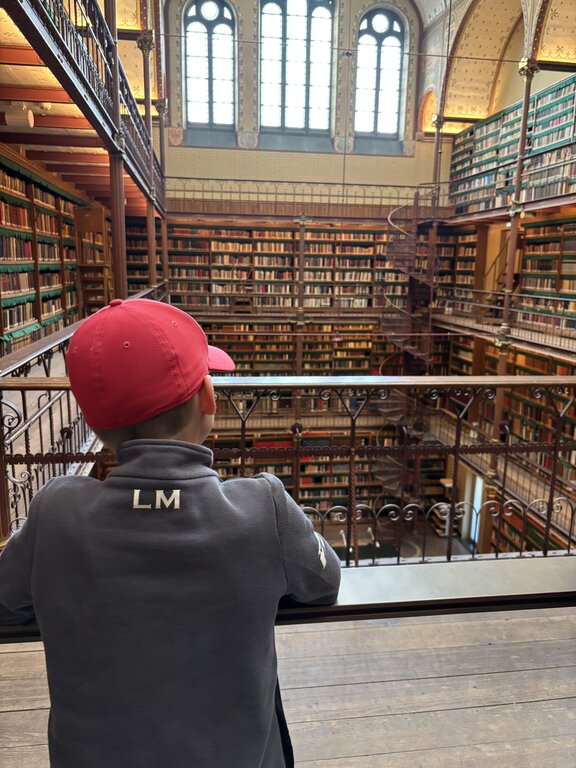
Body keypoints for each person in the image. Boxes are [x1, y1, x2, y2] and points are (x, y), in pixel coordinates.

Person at [0, 298, 341, 768]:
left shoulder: (57, 513)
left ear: (93, 421)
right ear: (208, 398)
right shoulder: (263, 508)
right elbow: (326, 583)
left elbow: (5, 601)